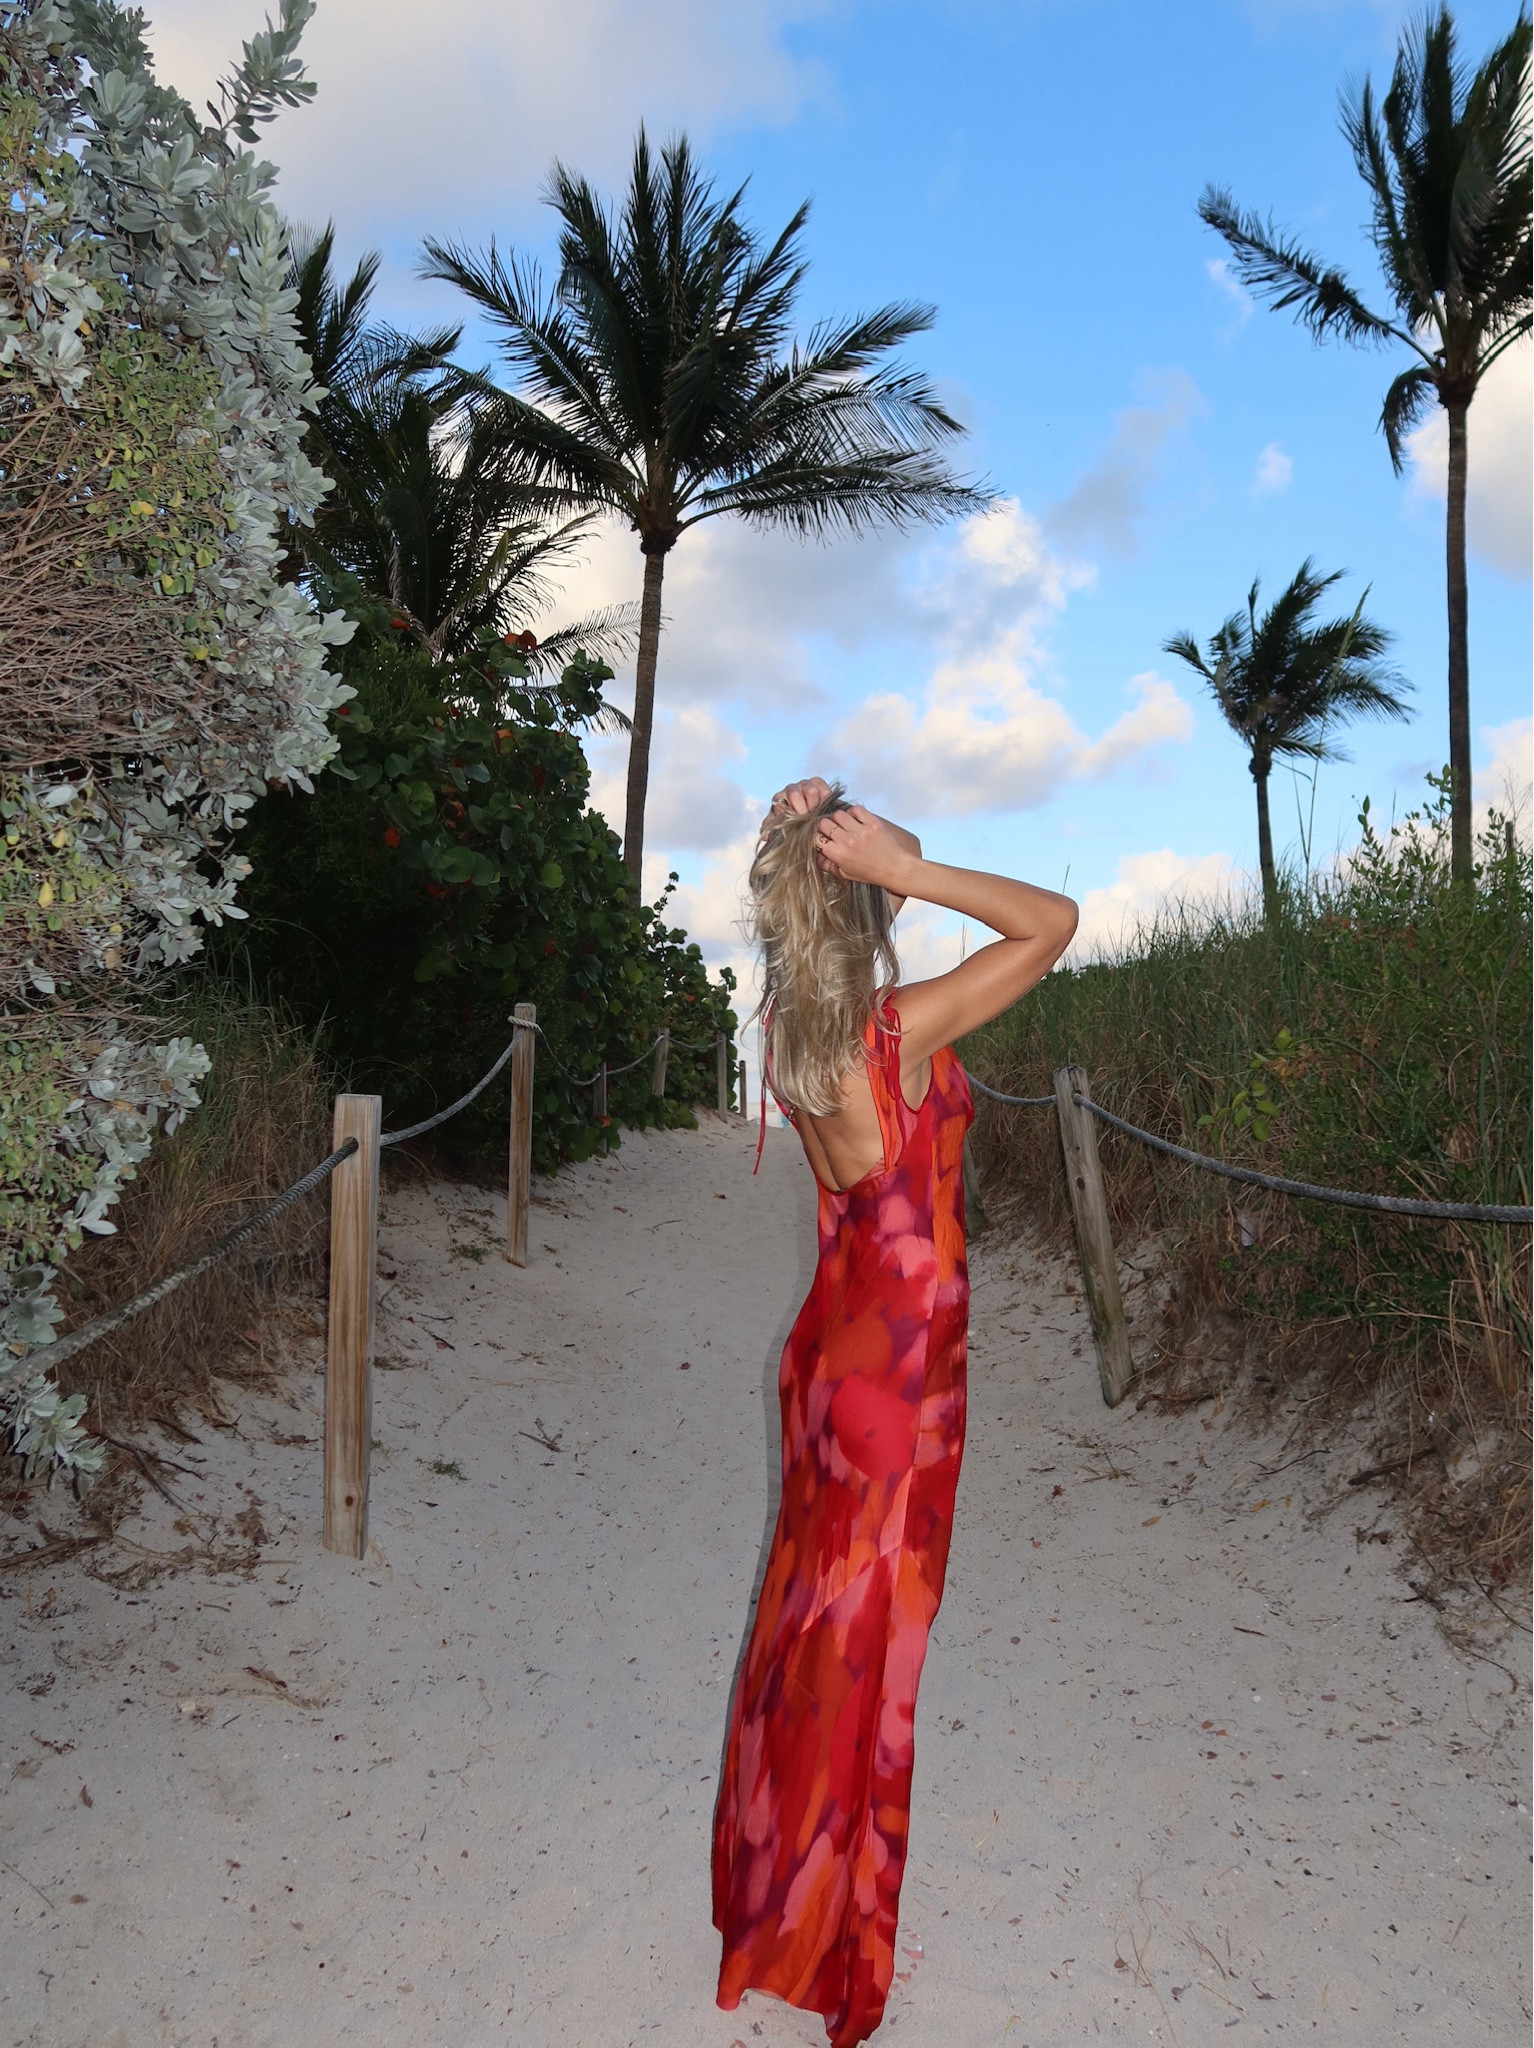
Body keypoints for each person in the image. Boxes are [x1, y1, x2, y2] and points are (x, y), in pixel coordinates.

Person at [712, 777, 1078, 2046]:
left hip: (831, 1350)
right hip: (900, 1367)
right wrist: (913, 873)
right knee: (871, 1652)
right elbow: (1053, 920)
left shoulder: (796, 1032)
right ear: (867, 899)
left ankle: (773, 1899)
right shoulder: (898, 1024)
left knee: (809, 1628)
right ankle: (834, 1937)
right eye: (881, 865)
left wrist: (826, 845)